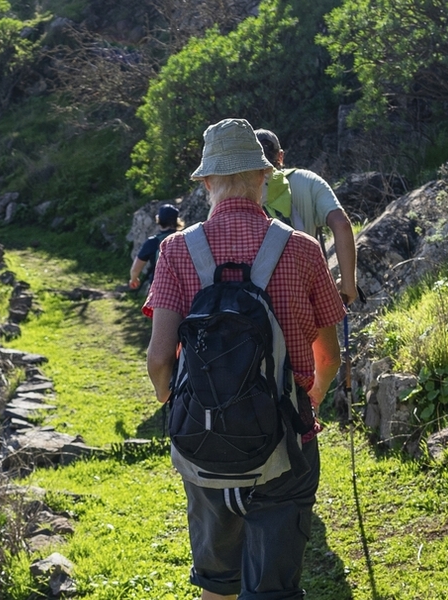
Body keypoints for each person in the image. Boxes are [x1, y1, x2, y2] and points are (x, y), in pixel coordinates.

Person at [144, 119, 345, 600]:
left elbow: (157, 359)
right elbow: (329, 356)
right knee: (272, 590)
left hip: (204, 446)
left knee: (215, 584)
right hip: (286, 445)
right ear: (263, 177)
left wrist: (184, 412)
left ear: (207, 182)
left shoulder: (175, 250)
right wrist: (307, 402)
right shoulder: (302, 249)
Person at [253, 129, 359, 305]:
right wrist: (348, 285)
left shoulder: (240, 192)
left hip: (260, 303)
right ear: (280, 157)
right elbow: (342, 225)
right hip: (306, 296)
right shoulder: (308, 180)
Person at [129, 204, 182, 293]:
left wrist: (134, 280)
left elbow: (135, 269)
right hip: (184, 287)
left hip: (160, 288)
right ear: (177, 220)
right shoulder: (186, 238)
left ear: (158, 220)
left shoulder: (152, 242)